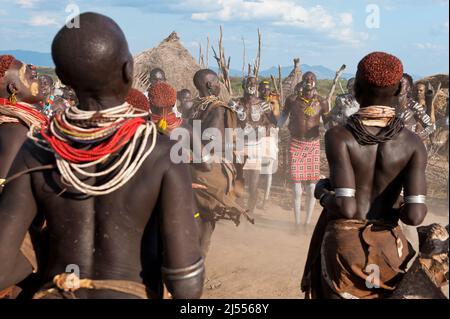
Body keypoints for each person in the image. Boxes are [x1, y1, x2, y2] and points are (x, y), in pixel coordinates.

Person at [0, 12, 203, 299]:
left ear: (62, 78)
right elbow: (187, 285)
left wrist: (46, 283)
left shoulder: (37, 150)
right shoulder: (161, 154)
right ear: (129, 71)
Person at [302, 51, 427, 299]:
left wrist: (322, 193)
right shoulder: (413, 144)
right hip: (389, 252)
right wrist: (393, 202)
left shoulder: (339, 137)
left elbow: (347, 209)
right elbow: (414, 215)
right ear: (400, 89)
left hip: (345, 253)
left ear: (357, 90)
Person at [190, 69, 248, 257]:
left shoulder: (194, 107)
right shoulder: (218, 109)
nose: (219, 85)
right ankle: (199, 257)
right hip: (209, 168)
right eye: (216, 81)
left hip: (189, 164)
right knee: (207, 216)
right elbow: (212, 141)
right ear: (209, 85)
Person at [278, 71, 330, 225]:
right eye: (306, 78)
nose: (309, 80)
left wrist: (337, 130)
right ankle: (297, 222)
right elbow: (282, 118)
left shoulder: (322, 102)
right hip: (296, 143)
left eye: (312, 78)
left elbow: (327, 124)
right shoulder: (292, 100)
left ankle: (307, 223)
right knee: (296, 188)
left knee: (312, 187)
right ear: (302, 81)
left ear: (315, 82)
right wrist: (274, 127)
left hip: (313, 145)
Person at [397, 73, 435, 140]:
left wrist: (419, 137)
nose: (398, 86)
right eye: (397, 84)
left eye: (402, 84)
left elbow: (432, 126)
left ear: (408, 88)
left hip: (409, 144)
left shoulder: (414, 106)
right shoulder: (391, 104)